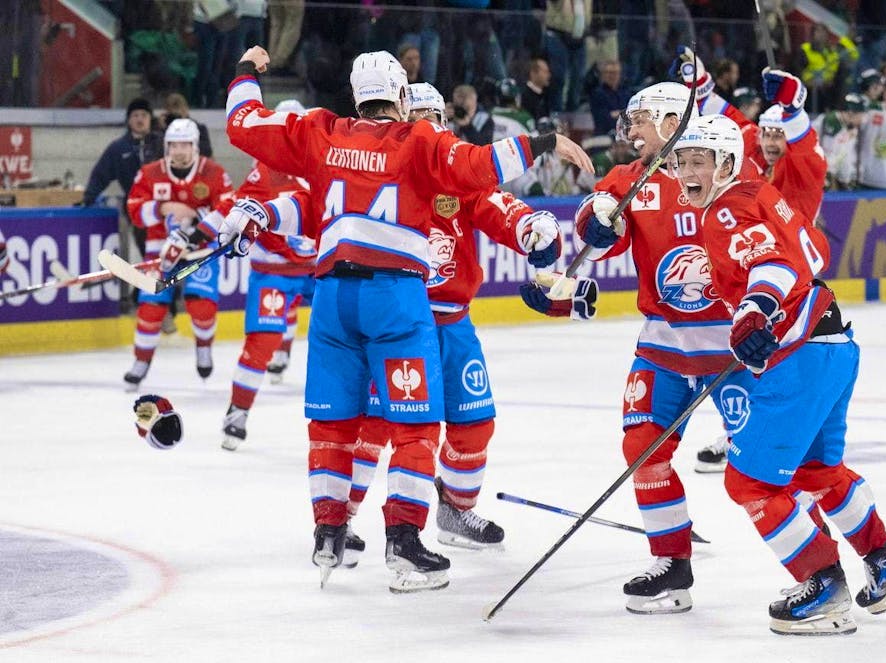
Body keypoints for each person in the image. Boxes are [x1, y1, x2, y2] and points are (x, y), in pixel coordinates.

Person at [218, 46, 592, 592]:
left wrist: (247, 73)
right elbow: (480, 164)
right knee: (407, 426)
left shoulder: (327, 133)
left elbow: (246, 127)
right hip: (399, 304)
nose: (433, 126)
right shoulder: (424, 149)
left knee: (343, 423)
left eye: (438, 118)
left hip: (346, 302)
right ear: (401, 101)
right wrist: (541, 141)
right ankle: (403, 542)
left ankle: (335, 529)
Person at [669, 112, 886, 635]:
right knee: (817, 473)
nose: (685, 171)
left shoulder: (725, 211)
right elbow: (804, 253)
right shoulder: (759, 192)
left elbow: (773, 265)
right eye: (681, 161)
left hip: (800, 353)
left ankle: (823, 585)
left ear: (724, 162)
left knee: (750, 483)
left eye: (698, 160)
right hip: (833, 344)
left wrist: (753, 311)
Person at [521, 82, 760, 615]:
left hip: (732, 346)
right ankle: (672, 562)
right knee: (642, 449)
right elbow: (602, 233)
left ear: (674, 120)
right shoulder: (629, 180)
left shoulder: (722, 174)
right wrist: (595, 221)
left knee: (770, 468)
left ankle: (828, 564)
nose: (631, 130)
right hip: (663, 343)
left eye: (642, 120)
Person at [345, 82, 567, 552]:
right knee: (380, 424)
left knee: (474, 422)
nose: (429, 127)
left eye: (435, 117)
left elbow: (498, 207)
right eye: (418, 117)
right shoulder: (381, 175)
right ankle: (339, 519)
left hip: (453, 325)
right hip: (399, 327)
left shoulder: (459, 176)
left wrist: (534, 227)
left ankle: (456, 510)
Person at [672, 48, 831, 470]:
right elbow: (731, 125)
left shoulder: (803, 167)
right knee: (753, 355)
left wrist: (793, 104)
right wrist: (701, 82)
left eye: (780, 135)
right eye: (767, 134)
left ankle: (767, 435)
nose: (772, 142)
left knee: (779, 364)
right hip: (753, 272)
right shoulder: (750, 152)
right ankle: (745, 429)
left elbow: (805, 144)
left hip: (789, 278)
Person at [218, 99, 316, 451]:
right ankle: (238, 411)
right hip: (274, 273)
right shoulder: (265, 169)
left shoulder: (328, 163)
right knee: (261, 343)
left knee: (358, 334)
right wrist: (203, 234)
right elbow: (232, 207)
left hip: (322, 269)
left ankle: (368, 424)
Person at [123, 118, 235, 388]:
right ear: (166, 147)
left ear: (195, 146)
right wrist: (162, 208)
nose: (179, 151)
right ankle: (141, 362)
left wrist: (196, 219)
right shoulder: (150, 173)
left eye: (185, 144)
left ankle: (204, 347)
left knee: (201, 304)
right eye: (174, 145)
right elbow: (134, 209)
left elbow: (229, 206)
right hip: (159, 250)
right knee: (150, 308)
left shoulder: (214, 173)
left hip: (200, 250)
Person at [82, 98, 164, 255]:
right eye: (135, 115)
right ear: (128, 120)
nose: (140, 119)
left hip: (163, 206)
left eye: (144, 115)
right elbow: (101, 173)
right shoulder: (119, 148)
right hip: (136, 207)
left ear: (150, 119)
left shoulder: (162, 143)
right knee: (145, 250)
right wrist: (89, 197)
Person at [814, 93, 867, 191]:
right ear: (850, 113)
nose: (862, 119)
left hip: (833, 175)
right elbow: (827, 155)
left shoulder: (850, 127)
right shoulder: (831, 123)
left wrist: (848, 177)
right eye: (860, 115)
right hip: (818, 175)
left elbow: (845, 155)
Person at [161, 92, 214, 157]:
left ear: (186, 110)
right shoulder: (162, 129)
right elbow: (159, 151)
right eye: (173, 114)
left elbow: (206, 152)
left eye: (178, 113)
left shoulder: (199, 129)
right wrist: (163, 128)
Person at [589, 59, 631, 136]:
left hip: (625, 134)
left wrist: (616, 114)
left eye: (615, 73)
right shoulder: (597, 93)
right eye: (609, 73)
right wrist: (621, 114)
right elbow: (601, 119)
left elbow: (630, 115)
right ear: (603, 75)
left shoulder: (626, 93)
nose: (612, 76)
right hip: (604, 134)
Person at [521, 56, 553, 122]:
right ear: (533, 73)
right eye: (545, 72)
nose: (549, 75)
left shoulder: (546, 95)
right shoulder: (524, 95)